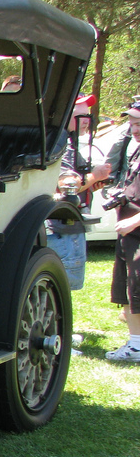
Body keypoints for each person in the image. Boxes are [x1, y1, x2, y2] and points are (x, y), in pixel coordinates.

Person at [48, 94, 111, 291]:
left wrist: (91, 185)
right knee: (61, 290)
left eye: (87, 115)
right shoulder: (61, 142)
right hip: (62, 229)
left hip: (67, 228)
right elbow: (66, 183)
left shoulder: (68, 141)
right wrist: (95, 175)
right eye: (81, 115)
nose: (87, 121)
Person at [103, 99, 140, 362]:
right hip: (127, 231)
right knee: (127, 287)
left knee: (138, 288)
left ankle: (137, 346)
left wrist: (135, 221)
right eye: (131, 122)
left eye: (138, 122)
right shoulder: (136, 150)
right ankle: (134, 340)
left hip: (135, 229)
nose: (133, 127)